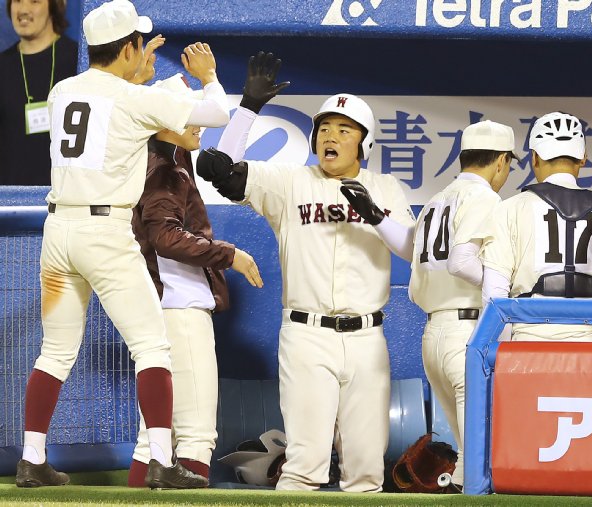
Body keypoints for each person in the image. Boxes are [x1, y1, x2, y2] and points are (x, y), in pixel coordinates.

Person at [15, 0, 231, 489]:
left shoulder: (62, 89)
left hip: (58, 233)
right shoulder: (133, 100)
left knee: (54, 352)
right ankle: (160, 461)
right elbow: (214, 111)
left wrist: (144, 76)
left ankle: (32, 458)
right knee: (153, 346)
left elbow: (113, 105)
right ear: (130, 46)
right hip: (104, 233)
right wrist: (207, 75)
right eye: (139, 43)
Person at [196, 93, 415, 492]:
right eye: (324, 128)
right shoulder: (290, 182)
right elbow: (220, 170)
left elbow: (413, 249)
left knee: (367, 472)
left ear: (365, 143)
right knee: (303, 468)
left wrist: (376, 217)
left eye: (344, 130)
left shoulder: (385, 189)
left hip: (367, 338)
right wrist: (248, 108)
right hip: (307, 334)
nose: (330, 136)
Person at [127, 52, 286, 487]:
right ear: (164, 121)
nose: (200, 122)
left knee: (156, 437)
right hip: (178, 307)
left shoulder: (165, 157)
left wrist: (248, 108)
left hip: (160, 304)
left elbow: (220, 161)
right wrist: (228, 253)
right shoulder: (163, 168)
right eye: (189, 116)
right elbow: (163, 235)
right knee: (196, 434)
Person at [408, 120, 517, 491]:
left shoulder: (436, 200)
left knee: (468, 455)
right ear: (501, 161)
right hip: (467, 331)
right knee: (481, 454)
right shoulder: (484, 197)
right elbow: (460, 262)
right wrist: (503, 283)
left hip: (433, 333)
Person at [482, 111, 592, 341]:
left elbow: (494, 294)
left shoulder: (510, 208)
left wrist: (505, 355)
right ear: (584, 157)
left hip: (530, 343)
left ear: (534, 158)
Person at [0, 0, 78, 185]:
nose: (23, 10)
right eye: (17, 1)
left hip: (66, 198)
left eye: (34, 1)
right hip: (10, 201)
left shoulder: (77, 61)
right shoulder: (3, 66)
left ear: (55, 5)